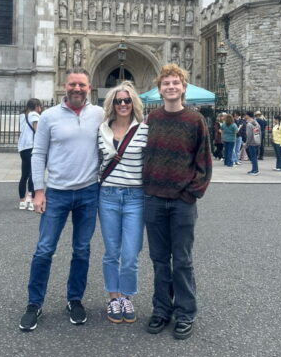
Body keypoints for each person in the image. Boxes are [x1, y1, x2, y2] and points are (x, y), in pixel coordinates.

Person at [19, 68, 103, 332]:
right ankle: (34, 303)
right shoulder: (49, 116)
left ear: (89, 87)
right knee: (44, 249)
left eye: (81, 85)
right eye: (72, 84)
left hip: (89, 192)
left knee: (82, 249)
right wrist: (38, 191)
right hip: (56, 192)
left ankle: (74, 299)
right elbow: (38, 153)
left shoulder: (100, 114)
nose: (76, 89)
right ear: (64, 86)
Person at [143, 64, 212, 340]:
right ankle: (161, 309)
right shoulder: (152, 119)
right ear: (160, 89)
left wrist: (191, 192)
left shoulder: (195, 120)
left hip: (182, 202)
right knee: (159, 260)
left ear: (183, 87)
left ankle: (185, 312)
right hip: (154, 199)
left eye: (175, 83)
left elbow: (204, 162)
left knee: (182, 260)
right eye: (166, 84)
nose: (171, 87)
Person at [97, 81, 148, 324]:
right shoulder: (102, 130)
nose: (123, 104)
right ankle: (113, 297)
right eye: (119, 101)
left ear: (133, 103)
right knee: (111, 252)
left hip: (135, 197)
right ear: (112, 104)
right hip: (107, 195)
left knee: (130, 254)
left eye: (127, 100)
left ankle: (127, 295)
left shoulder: (144, 130)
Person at [17, 98, 42, 210]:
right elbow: (38, 131)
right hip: (31, 146)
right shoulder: (34, 115)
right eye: (39, 106)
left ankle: (22, 201)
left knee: (24, 174)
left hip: (22, 147)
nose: (40, 109)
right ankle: (31, 199)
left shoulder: (23, 116)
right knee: (33, 174)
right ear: (36, 106)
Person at [244, 111, 261, 176]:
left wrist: (246, 143)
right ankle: (254, 169)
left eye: (245, 115)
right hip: (256, 141)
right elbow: (259, 133)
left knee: (253, 157)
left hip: (251, 143)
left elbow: (249, 135)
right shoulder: (256, 123)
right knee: (254, 157)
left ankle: (255, 170)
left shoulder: (249, 124)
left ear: (248, 116)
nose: (245, 116)